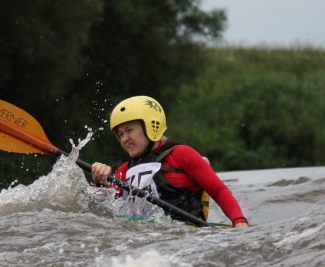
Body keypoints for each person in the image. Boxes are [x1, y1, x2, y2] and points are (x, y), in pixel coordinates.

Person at [91, 96, 249, 228]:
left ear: (151, 125)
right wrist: (100, 180)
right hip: (144, 243)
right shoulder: (123, 171)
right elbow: (102, 206)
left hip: (186, 239)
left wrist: (239, 221)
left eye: (130, 130)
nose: (125, 139)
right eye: (121, 134)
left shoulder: (181, 154)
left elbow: (218, 190)